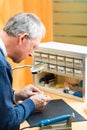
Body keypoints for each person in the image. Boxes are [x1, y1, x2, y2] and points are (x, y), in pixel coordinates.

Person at [0, 12, 51, 130]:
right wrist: (32, 104)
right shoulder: (1, 65)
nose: (31, 54)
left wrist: (14, 95)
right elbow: (6, 122)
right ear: (22, 38)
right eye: (33, 47)